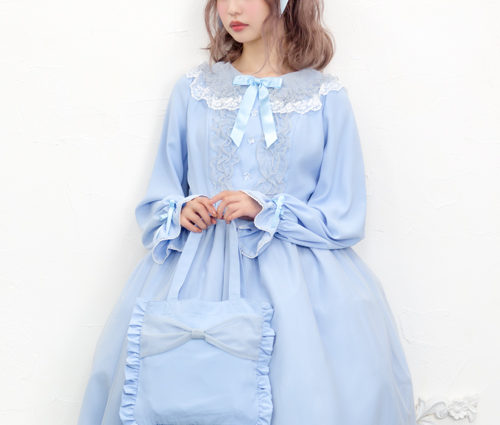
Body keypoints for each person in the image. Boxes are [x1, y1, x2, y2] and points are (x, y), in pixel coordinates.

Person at [77, 0, 418, 424]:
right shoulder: (194, 90)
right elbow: (159, 195)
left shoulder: (325, 99)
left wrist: (268, 209)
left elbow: (343, 215)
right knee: (181, 392)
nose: (232, 9)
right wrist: (182, 209)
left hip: (300, 286)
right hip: (195, 274)